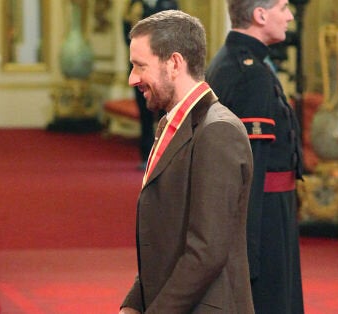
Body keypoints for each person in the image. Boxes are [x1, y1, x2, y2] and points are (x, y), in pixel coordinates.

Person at [120, 10, 254, 313]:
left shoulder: (218, 131)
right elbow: (169, 241)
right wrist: (134, 303)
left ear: (175, 63)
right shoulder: (173, 125)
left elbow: (206, 252)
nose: (132, 78)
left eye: (140, 66)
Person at [205, 1, 304, 313]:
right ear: (260, 15)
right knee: (272, 302)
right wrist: (249, 251)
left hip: (262, 210)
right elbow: (250, 166)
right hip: (265, 215)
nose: (290, 16)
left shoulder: (230, 61)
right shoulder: (252, 74)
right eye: (283, 7)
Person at [123, 0, 179, 170]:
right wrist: (134, 22)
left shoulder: (170, 3)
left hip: (164, 71)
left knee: (166, 115)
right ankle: (146, 156)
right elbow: (127, 39)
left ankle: (166, 156)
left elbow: (178, 35)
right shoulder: (133, 6)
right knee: (145, 116)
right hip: (141, 71)